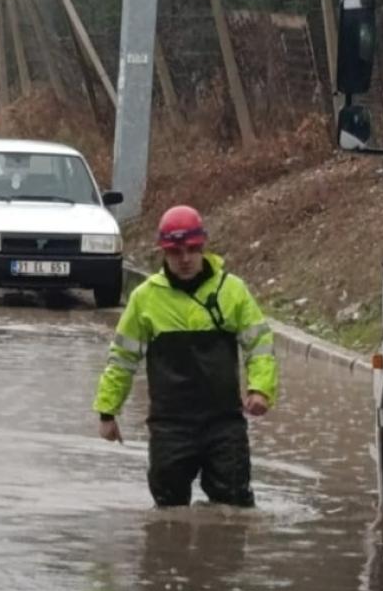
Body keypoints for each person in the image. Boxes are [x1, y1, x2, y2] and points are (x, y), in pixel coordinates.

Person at [93, 205, 279, 508]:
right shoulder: (145, 298)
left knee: (234, 507)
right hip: (170, 426)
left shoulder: (231, 291)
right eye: (175, 252)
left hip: (224, 424)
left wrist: (261, 389)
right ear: (163, 253)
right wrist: (107, 412)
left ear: (203, 247)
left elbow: (259, 344)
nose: (185, 259)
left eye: (192, 250)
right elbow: (122, 360)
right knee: (168, 510)